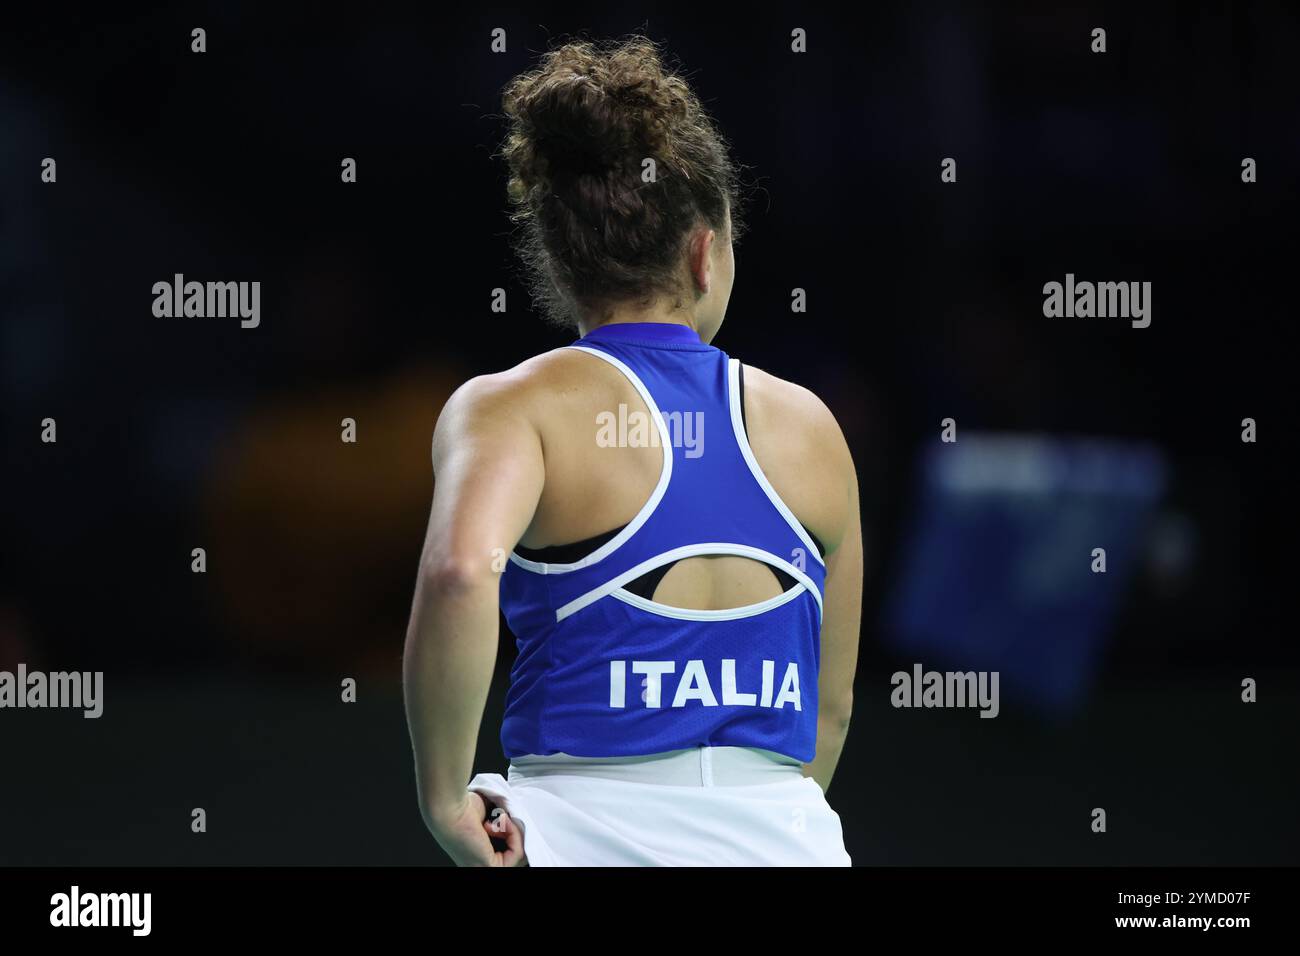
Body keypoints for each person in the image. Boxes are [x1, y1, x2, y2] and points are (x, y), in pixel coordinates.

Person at [403, 37, 861, 866]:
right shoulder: (811, 428)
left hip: (579, 834)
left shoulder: (511, 409)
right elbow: (829, 714)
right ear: (704, 250)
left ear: (558, 261)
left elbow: (460, 572)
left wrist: (444, 799)